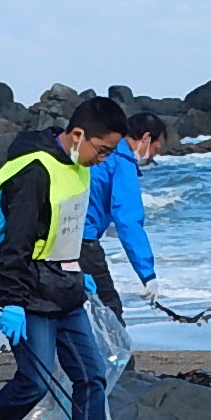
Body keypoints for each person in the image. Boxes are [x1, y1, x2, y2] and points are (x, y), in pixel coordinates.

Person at [0, 97, 137, 420]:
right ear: (78, 135)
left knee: (92, 377)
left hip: (66, 288)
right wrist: (11, 303)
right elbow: (16, 246)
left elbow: (67, 232)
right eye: (103, 150)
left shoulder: (79, 167)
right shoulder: (33, 172)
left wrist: (82, 275)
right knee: (33, 382)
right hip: (29, 293)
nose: (104, 159)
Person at [80, 111, 166, 323]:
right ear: (146, 138)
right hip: (82, 239)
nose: (153, 156)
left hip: (58, 235)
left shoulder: (99, 152)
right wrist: (147, 274)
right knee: (109, 308)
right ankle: (116, 357)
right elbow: (128, 220)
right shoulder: (122, 161)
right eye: (155, 149)